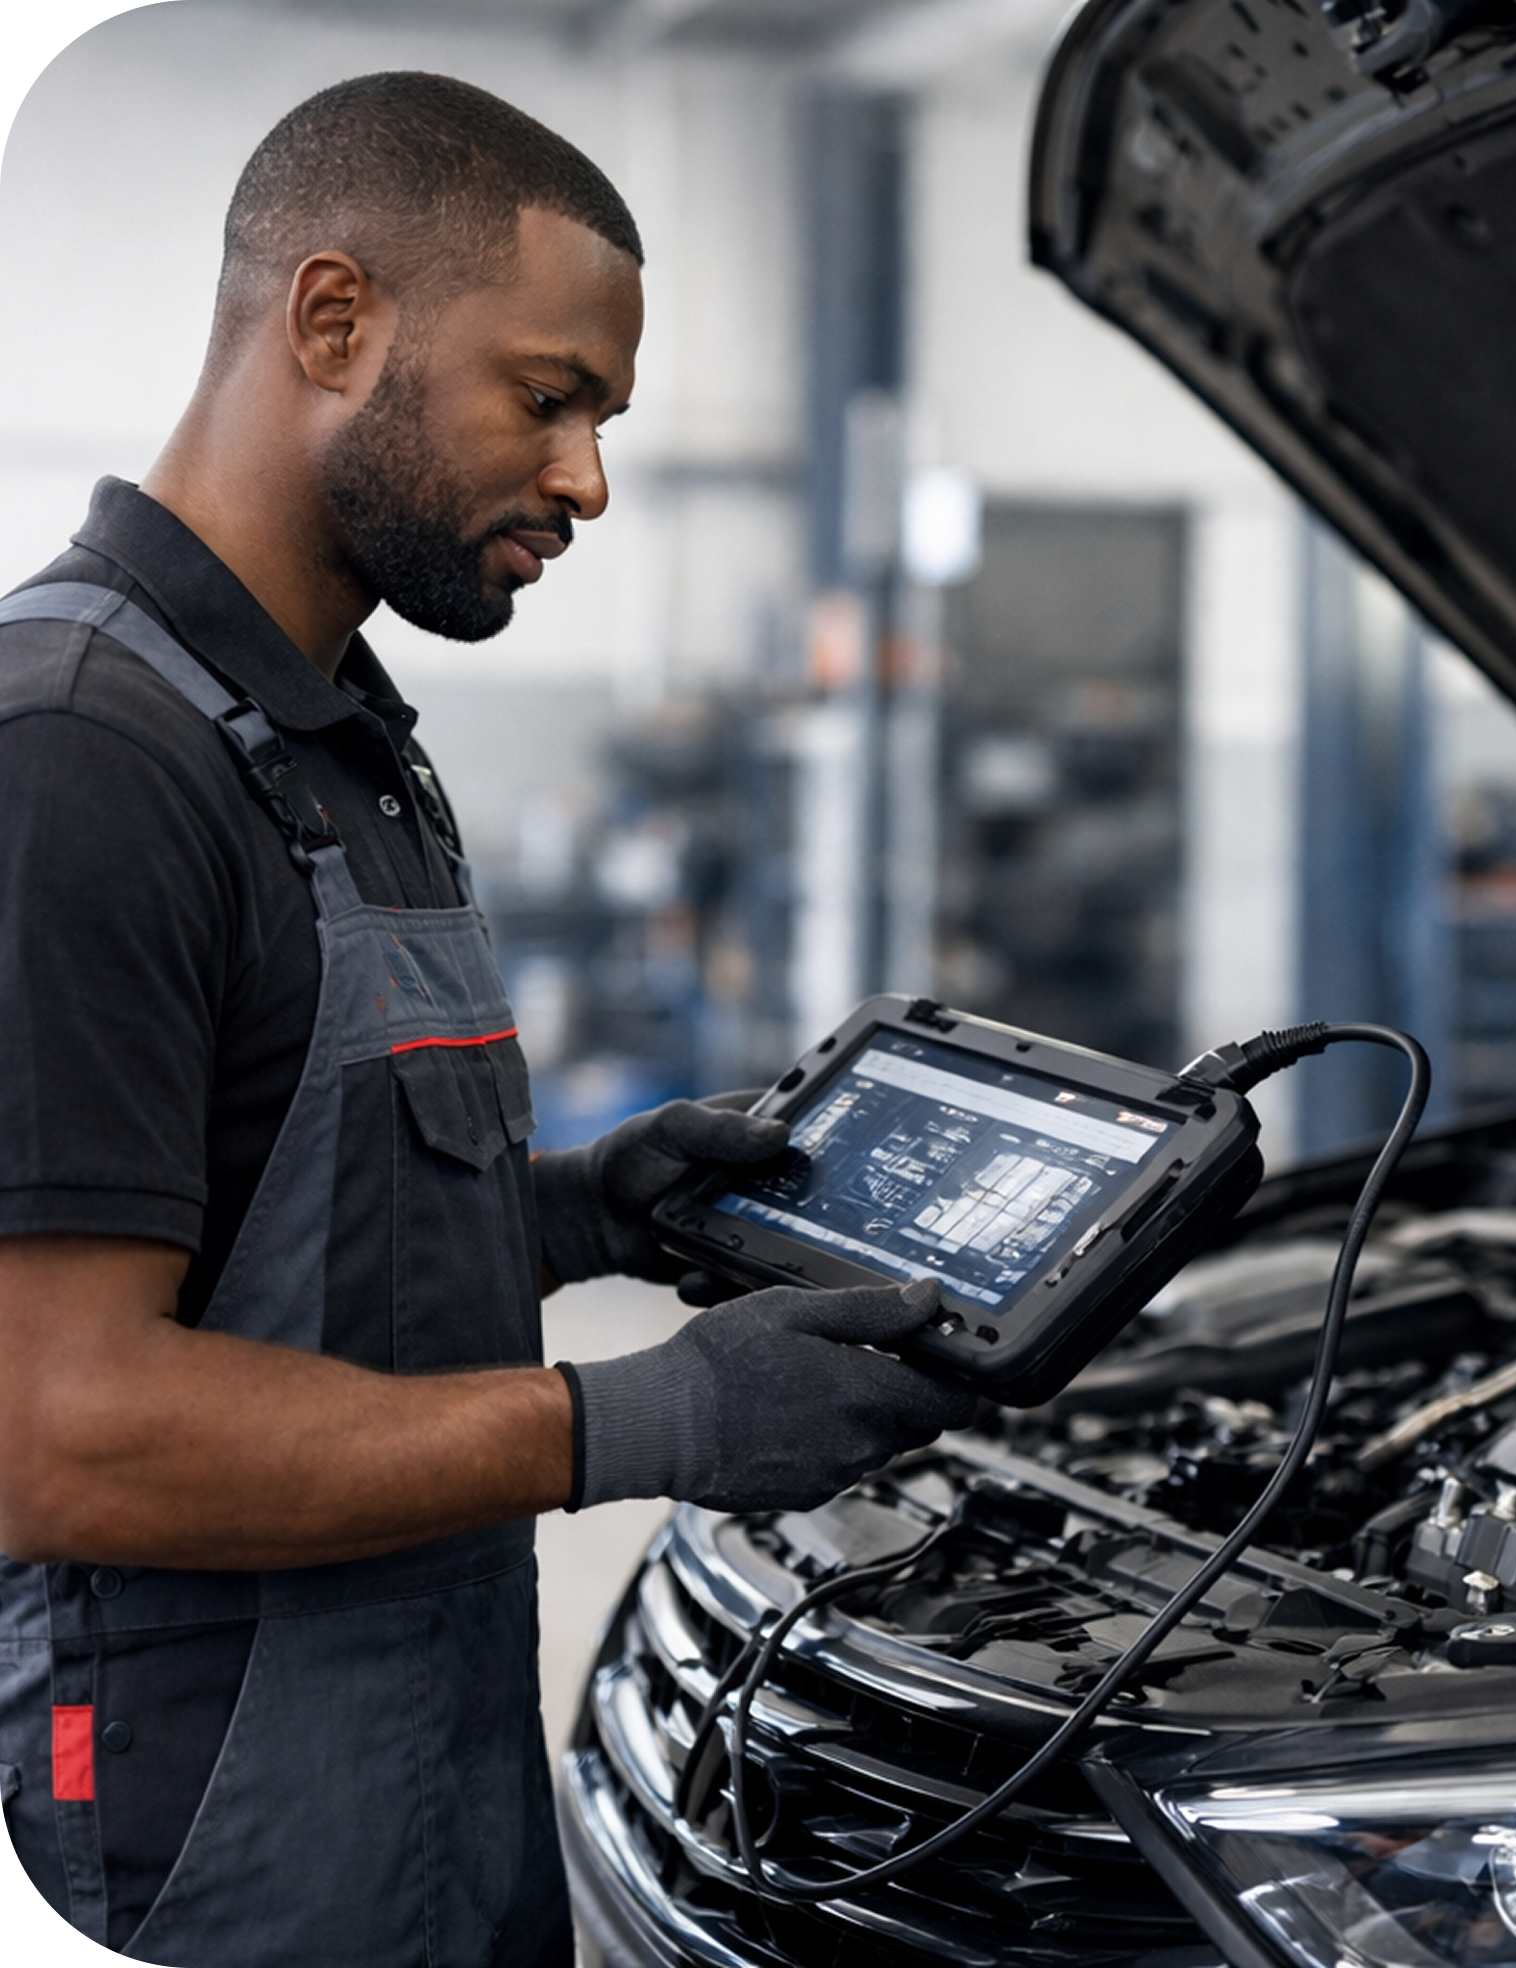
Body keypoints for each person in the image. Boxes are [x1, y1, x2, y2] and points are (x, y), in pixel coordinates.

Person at [0, 72, 973, 1965]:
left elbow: (275, 1246)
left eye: (603, 418)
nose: (588, 478)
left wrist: (582, 1212)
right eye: (549, 398)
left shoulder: (341, 740)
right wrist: (651, 1417)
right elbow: (59, 1428)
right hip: (199, 1850)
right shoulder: (82, 756)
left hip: (427, 1797)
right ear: (333, 321)